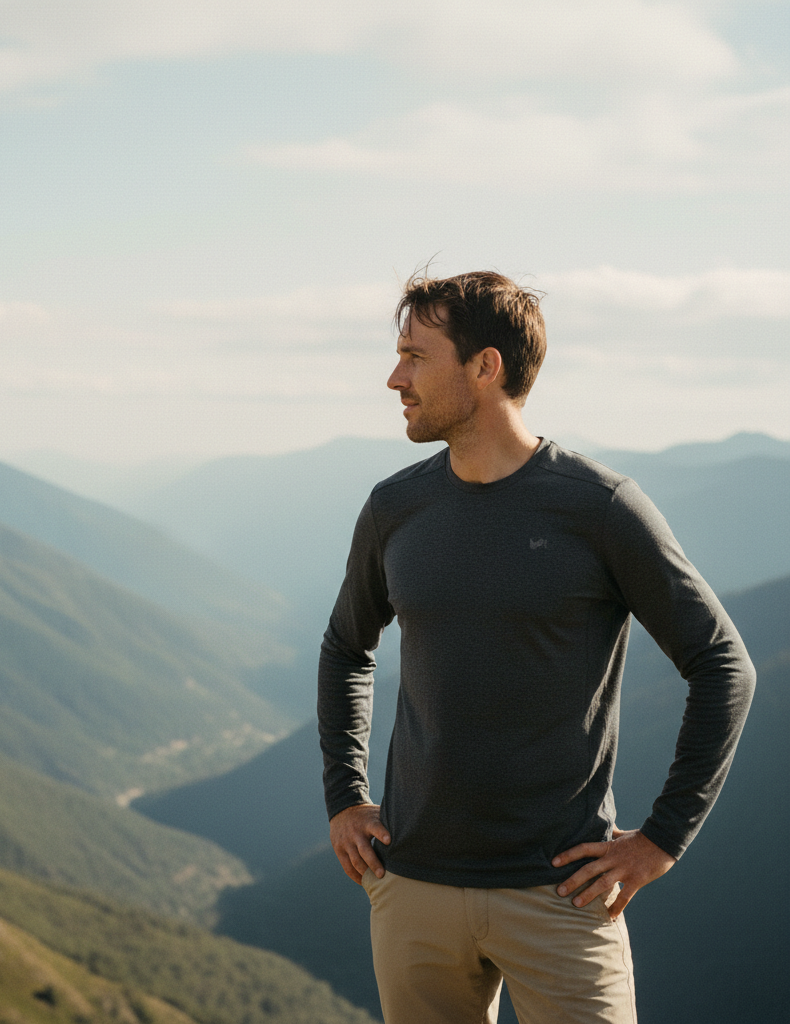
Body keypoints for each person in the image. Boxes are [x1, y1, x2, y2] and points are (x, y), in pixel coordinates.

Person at [317, 270, 755, 1024]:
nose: (395, 378)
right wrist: (345, 796)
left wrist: (661, 839)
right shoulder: (395, 506)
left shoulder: (601, 508)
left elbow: (722, 666)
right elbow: (345, 647)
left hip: (560, 896)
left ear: (485, 368)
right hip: (412, 887)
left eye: (415, 357)